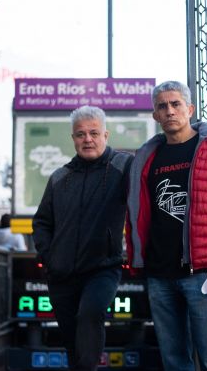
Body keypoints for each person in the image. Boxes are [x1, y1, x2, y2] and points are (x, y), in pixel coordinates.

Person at [125, 81, 207, 370]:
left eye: (176, 104)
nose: (170, 111)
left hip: (204, 272)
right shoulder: (146, 157)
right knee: (174, 362)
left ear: (190, 109)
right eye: (162, 106)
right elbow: (137, 212)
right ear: (155, 116)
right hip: (159, 273)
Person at [32, 106, 133, 371]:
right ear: (73, 138)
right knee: (72, 342)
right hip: (62, 273)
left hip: (103, 268)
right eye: (80, 134)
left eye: (93, 133)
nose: (87, 139)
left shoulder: (123, 167)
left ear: (106, 135)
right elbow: (42, 222)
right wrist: (49, 257)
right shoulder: (59, 177)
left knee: (90, 315)